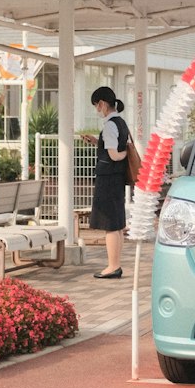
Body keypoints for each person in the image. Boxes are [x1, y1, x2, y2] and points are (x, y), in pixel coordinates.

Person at [87, 85, 130, 279]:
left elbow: (114, 154)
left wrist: (123, 154)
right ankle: (116, 264)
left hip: (108, 179)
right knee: (117, 223)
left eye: (97, 105)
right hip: (117, 180)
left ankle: (113, 266)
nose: (97, 109)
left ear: (103, 104)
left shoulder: (110, 125)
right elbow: (112, 146)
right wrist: (98, 142)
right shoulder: (120, 122)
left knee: (110, 225)